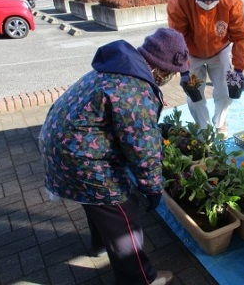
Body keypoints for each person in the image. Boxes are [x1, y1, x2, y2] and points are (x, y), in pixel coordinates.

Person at [39, 27, 190, 285]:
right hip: (82, 159)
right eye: (172, 74)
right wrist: (152, 188)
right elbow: (143, 148)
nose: (171, 79)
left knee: (98, 204)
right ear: (160, 69)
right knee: (123, 214)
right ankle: (142, 280)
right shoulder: (135, 89)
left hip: (61, 146)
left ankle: (101, 246)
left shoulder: (118, 66)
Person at [167, 0, 244, 139]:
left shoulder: (231, 2)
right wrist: (183, 71)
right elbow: (176, 39)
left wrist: (239, 69)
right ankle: (204, 131)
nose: (207, 0)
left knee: (225, 90)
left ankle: (220, 123)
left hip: (219, 50)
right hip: (191, 53)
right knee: (195, 95)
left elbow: (241, 36)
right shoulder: (180, 1)